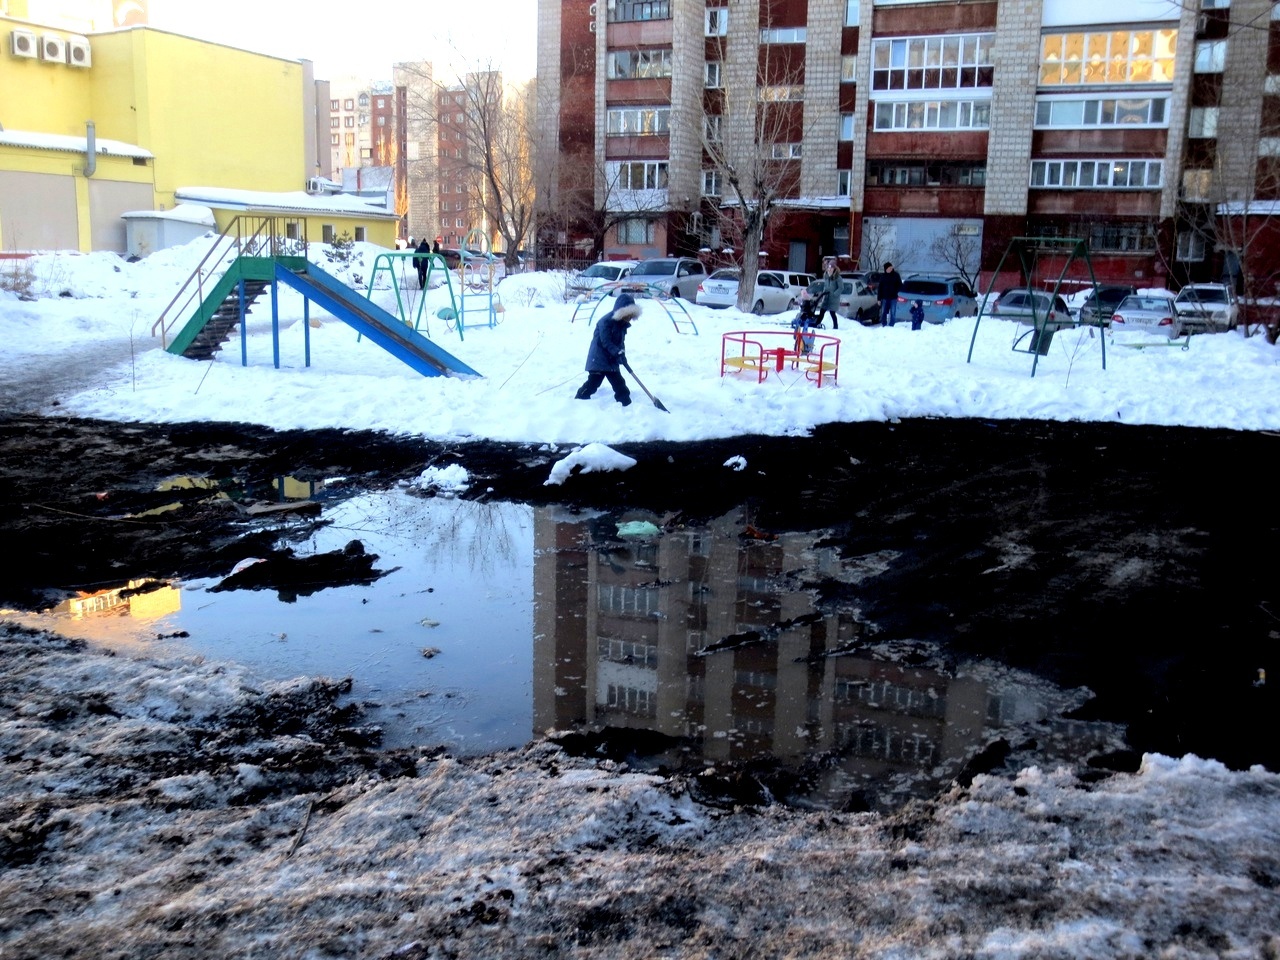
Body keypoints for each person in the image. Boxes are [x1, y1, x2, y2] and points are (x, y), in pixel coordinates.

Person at [575, 292, 640, 406]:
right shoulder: (605, 322)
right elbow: (606, 342)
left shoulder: (622, 324)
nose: (630, 318)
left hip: (611, 359)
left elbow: (620, 343)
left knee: (619, 383)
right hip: (599, 359)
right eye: (628, 314)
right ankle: (579, 398)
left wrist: (622, 354)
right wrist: (616, 352)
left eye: (631, 315)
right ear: (621, 311)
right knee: (593, 383)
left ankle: (626, 404)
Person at [818, 259, 842, 330]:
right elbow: (825, 286)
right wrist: (823, 293)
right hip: (826, 297)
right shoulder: (826, 276)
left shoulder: (838, 277)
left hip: (833, 299)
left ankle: (835, 326)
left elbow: (841, 288)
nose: (829, 269)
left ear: (834, 268)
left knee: (832, 313)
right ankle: (817, 323)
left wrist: (835, 294)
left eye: (831, 268)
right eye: (828, 267)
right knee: (822, 311)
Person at [877, 261, 902, 327]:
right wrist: (879, 299)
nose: (890, 269)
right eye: (889, 268)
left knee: (893, 312)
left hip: (893, 297)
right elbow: (880, 288)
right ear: (886, 269)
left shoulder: (896, 275)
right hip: (884, 297)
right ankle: (884, 324)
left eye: (891, 268)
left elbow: (900, 285)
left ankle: (891, 324)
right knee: (883, 312)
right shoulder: (883, 276)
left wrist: (895, 291)